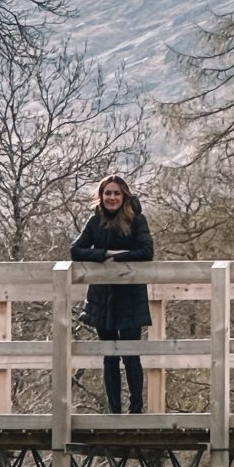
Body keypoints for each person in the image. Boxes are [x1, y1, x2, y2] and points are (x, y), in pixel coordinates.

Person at [70, 175, 154, 413]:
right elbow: (75, 250)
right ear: (101, 195)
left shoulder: (138, 220)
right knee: (109, 356)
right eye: (108, 193)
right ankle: (114, 411)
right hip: (102, 296)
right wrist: (104, 253)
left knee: (130, 354)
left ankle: (136, 410)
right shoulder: (95, 221)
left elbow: (147, 252)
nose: (112, 198)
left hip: (130, 295)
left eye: (116, 193)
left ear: (124, 195)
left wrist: (115, 257)